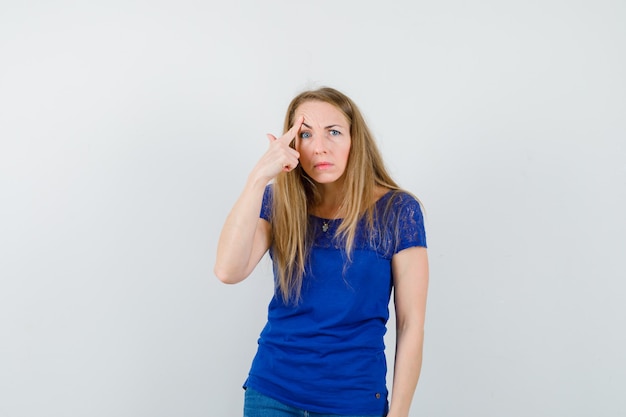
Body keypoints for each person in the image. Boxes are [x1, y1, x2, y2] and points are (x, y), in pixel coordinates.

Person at [214, 87, 429, 417]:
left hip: (353, 400)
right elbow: (228, 271)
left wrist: (399, 414)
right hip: (272, 393)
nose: (320, 147)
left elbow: (411, 323)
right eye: (305, 134)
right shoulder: (279, 202)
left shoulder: (397, 210)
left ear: (355, 140)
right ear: (292, 144)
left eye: (334, 132)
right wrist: (258, 178)